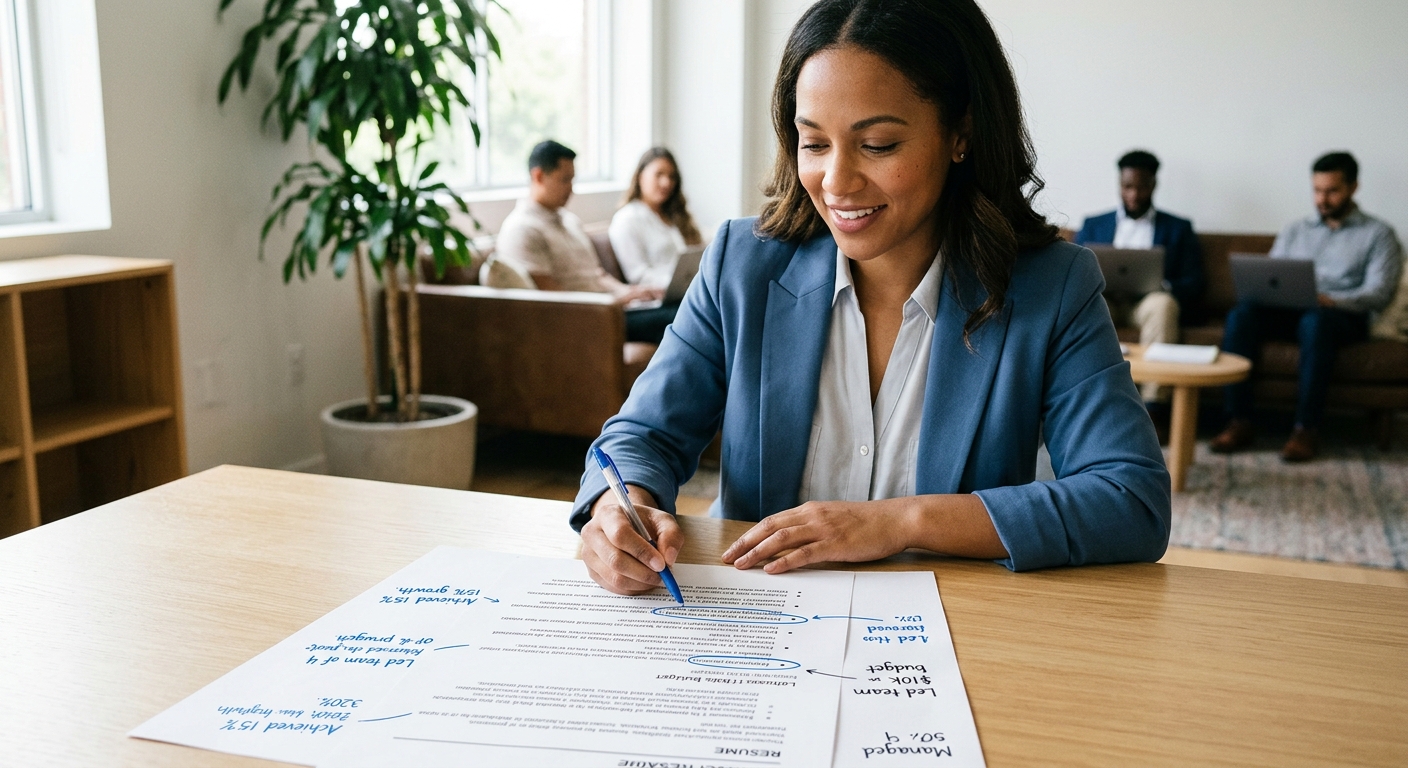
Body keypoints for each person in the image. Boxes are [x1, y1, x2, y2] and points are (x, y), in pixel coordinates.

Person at [572, 0, 1170, 596]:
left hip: (955, 642)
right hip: (753, 633)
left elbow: (1130, 498)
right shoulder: (741, 264)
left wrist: (901, 521)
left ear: (960, 133)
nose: (836, 182)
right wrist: (617, 508)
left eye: (878, 144)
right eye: (813, 143)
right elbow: (640, 437)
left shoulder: (1052, 287)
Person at [1211, 152, 1403, 461]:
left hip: (1341, 316)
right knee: (1241, 315)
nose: (1322, 199)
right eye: (1317, 190)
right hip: (1292, 310)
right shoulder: (1295, 230)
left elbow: (1378, 293)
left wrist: (1333, 300)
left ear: (1354, 187)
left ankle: (1305, 429)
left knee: (1316, 321)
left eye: (1332, 191)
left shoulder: (1379, 234)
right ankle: (1238, 421)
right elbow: (1272, 276)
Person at [496, 140, 677, 344]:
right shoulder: (522, 229)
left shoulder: (570, 221)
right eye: (564, 180)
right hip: (592, 317)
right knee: (679, 321)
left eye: (572, 180)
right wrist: (615, 301)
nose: (571, 189)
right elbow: (552, 299)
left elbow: (597, 274)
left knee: (689, 307)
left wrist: (630, 292)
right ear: (538, 176)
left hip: (613, 307)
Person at [1075, 150, 1204, 416]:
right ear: (1119, 184)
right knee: (1089, 304)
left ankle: (1154, 406)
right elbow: (1073, 273)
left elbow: (1196, 282)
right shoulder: (1093, 225)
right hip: (1106, 300)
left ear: (1154, 184)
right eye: (1127, 187)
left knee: (1163, 304)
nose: (1133, 195)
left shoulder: (1179, 228)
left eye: (1141, 187)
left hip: (1148, 304)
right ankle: (1091, 400)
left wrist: (1164, 285)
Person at [609, 147, 704, 289]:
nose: (666, 183)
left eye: (671, 177)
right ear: (640, 176)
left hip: (687, 291)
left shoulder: (675, 216)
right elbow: (638, 276)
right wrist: (673, 284)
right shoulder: (627, 219)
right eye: (658, 175)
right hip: (657, 299)